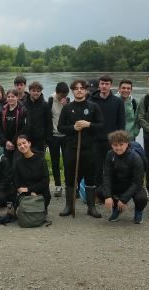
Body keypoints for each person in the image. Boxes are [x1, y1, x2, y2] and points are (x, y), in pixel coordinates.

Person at [57, 79, 104, 218]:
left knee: (90, 178)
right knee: (70, 177)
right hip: (71, 148)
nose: (79, 90)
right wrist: (73, 127)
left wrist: (88, 124)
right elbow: (60, 127)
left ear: (85, 90)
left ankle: (91, 207)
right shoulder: (67, 108)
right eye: (76, 88)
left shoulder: (93, 107)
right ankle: (69, 206)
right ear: (72, 90)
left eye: (81, 88)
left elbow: (101, 126)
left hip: (89, 149)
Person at [101, 130, 147, 224]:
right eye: (115, 145)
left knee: (141, 198)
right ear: (111, 145)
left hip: (133, 185)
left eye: (121, 144)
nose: (118, 148)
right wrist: (108, 196)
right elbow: (107, 175)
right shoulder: (110, 154)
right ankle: (117, 209)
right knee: (100, 192)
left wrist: (124, 199)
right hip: (118, 184)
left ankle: (138, 212)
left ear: (127, 144)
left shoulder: (135, 158)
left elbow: (137, 182)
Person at [89, 75, 125, 191]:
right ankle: (98, 192)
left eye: (107, 84)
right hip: (95, 140)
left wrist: (120, 140)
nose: (104, 86)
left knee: (114, 167)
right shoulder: (91, 101)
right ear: (99, 85)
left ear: (111, 85)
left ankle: (114, 190)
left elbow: (121, 122)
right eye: (102, 84)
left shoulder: (118, 101)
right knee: (96, 168)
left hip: (112, 141)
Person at [12, 135, 50, 211]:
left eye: (24, 143)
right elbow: (16, 181)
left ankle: (40, 208)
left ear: (29, 143)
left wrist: (31, 190)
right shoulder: (18, 162)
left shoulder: (41, 159)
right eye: (19, 145)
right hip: (24, 192)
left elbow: (45, 181)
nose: (22, 146)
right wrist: (27, 192)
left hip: (40, 192)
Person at [48, 82, 69, 197]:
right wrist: (48, 137)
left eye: (65, 95)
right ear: (57, 92)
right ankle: (58, 185)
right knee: (55, 162)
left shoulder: (68, 100)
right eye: (62, 95)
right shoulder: (51, 100)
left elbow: (72, 117)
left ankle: (68, 185)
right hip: (54, 137)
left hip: (66, 137)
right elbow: (47, 118)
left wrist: (67, 106)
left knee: (67, 161)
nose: (63, 97)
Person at [0, 89, 27, 166]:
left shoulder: (22, 110)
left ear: (17, 97)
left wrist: (13, 142)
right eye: (8, 97)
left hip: (17, 144)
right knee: (7, 164)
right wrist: (6, 141)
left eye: (13, 96)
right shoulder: (2, 110)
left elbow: (23, 128)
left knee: (16, 164)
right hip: (6, 144)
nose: (10, 99)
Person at [23, 81, 52, 153]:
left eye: (38, 91)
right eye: (33, 91)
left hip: (40, 139)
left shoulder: (45, 105)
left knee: (39, 160)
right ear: (29, 91)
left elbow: (49, 122)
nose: (36, 93)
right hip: (27, 137)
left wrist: (48, 139)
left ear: (41, 92)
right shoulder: (23, 104)